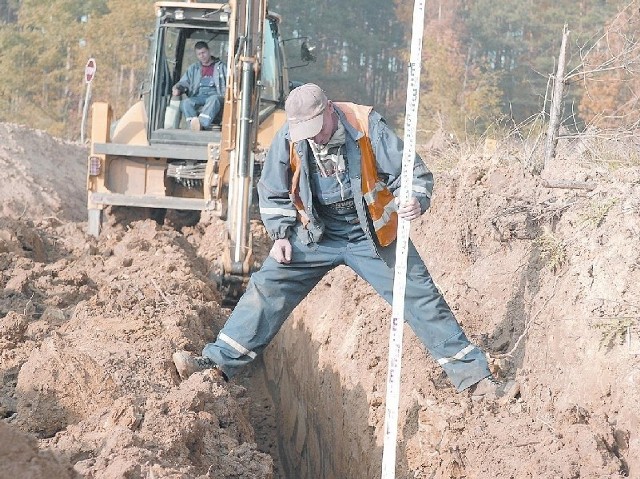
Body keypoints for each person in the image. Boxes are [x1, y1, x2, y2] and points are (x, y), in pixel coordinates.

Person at [173, 83, 500, 397]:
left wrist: (413, 197)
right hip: (315, 233)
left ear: (330, 109)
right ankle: (216, 366)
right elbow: (272, 190)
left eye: (318, 127)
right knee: (267, 286)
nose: (314, 136)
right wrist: (281, 235)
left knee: (419, 295)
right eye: (306, 132)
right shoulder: (289, 135)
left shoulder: (365, 124)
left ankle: (473, 376)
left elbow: (410, 171)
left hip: (370, 235)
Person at [172, 41, 227, 131]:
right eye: (199, 54)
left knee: (214, 100)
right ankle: (194, 125)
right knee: (186, 103)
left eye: (204, 52)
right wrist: (178, 88)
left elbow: (229, 81)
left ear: (209, 51)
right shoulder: (194, 69)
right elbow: (184, 82)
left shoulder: (221, 67)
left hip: (216, 96)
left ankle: (200, 123)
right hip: (199, 96)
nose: (202, 56)